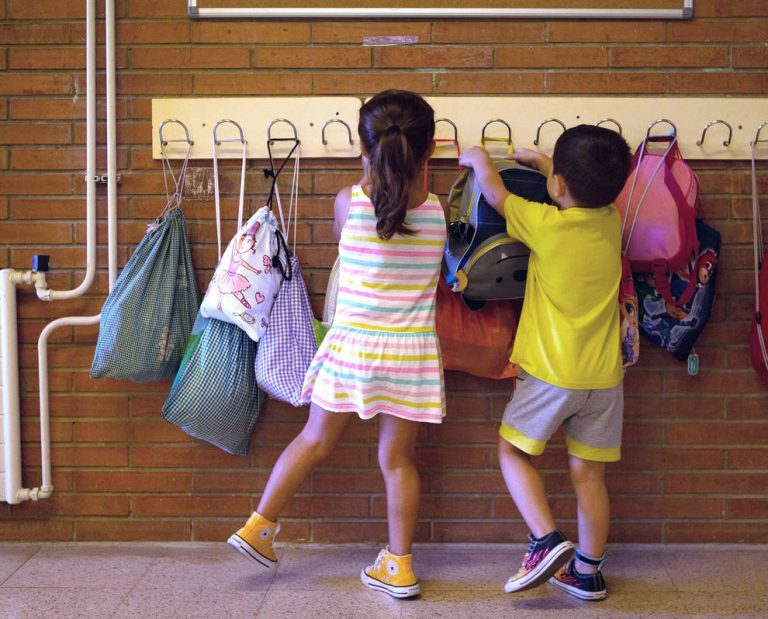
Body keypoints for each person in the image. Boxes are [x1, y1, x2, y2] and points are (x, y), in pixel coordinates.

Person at [227, 89, 447, 600]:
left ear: (363, 149)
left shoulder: (349, 202)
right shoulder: (439, 212)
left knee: (314, 439)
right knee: (397, 461)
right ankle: (399, 566)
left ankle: (260, 526)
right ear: (429, 152)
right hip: (410, 354)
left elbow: (348, 234)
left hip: (352, 347)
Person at [458, 124, 632, 601]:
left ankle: (544, 539)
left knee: (511, 452)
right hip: (604, 378)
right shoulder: (612, 219)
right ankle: (587, 572)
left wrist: (479, 159)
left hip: (552, 374)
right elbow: (579, 190)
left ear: (557, 185)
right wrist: (544, 163)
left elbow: (496, 196)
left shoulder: (545, 225)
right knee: (589, 474)